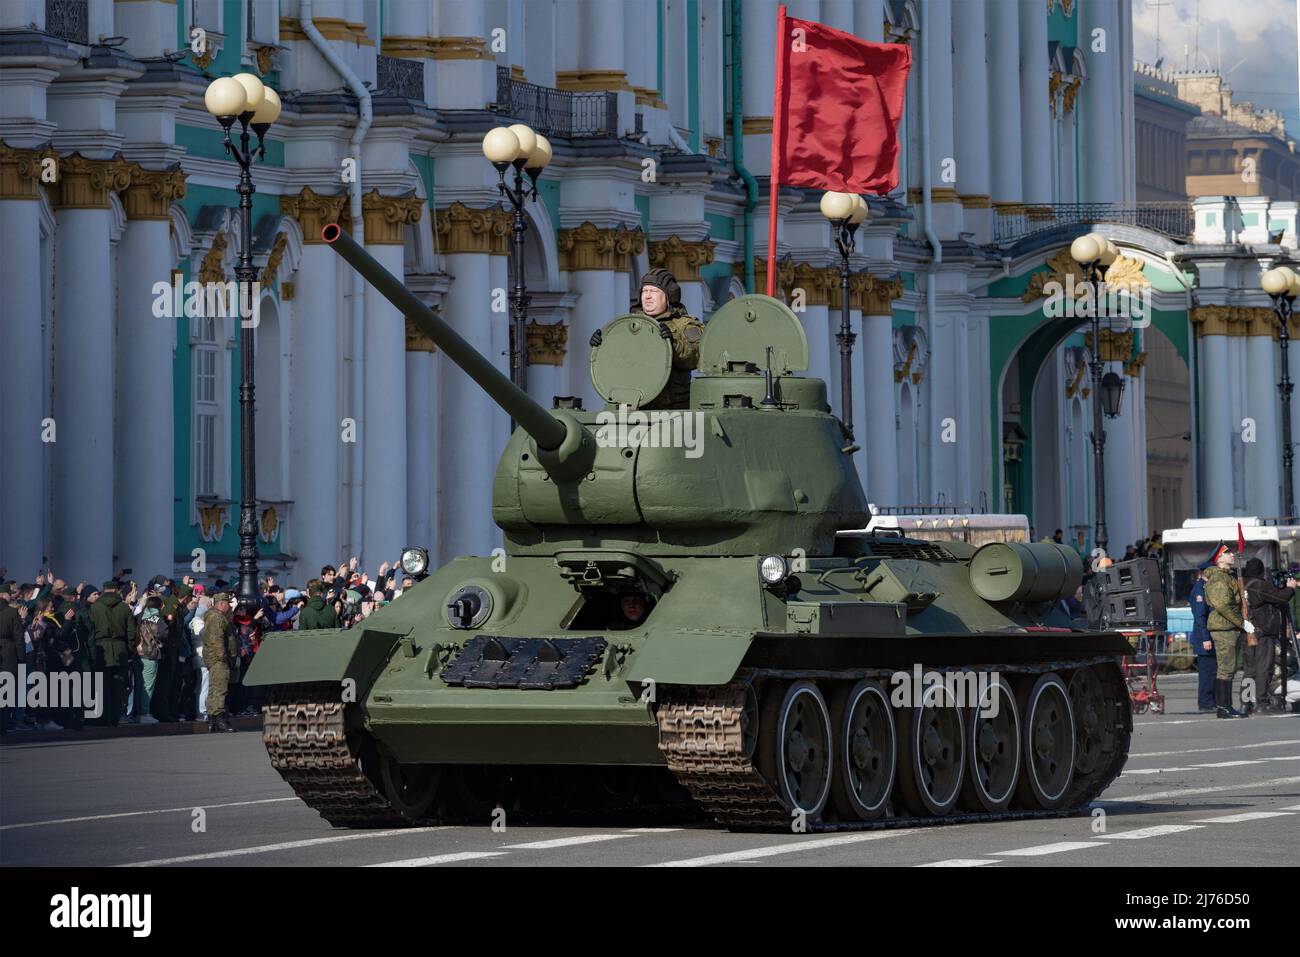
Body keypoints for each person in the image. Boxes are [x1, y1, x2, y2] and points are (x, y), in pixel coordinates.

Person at [589, 268, 704, 410]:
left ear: (669, 296)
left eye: (654, 291)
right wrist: (603, 345)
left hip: (673, 409)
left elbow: (696, 356)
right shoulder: (631, 326)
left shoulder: (684, 325)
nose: (647, 296)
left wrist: (672, 342)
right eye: (645, 291)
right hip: (634, 405)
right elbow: (619, 360)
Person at [1242, 557, 1296, 715]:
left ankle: (1246, 702)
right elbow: (1280, 597)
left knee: (1249, 670)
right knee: (1264, 668)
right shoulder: (1259, 585)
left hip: (1247, 632)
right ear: (1260, 570)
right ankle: (1262, 702)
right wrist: (1290, 588)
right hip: (1262, 632)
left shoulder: (1241, 584)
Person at [1204, 545, 1252, 719]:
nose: (1232, 555)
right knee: (1226, 669)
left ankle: (1226, 706)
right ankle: (1224, 707)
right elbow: (1223, 605)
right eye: (1227, 553)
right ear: (1219, 559)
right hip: (1224, 628)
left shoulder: (1227, 577)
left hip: (1229, 627)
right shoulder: (1218, 579)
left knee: (1229, 668)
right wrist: (1241, 622)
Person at [89, 579, 135, 726]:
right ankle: (115, 717)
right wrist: (130, 651)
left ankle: (102, 717)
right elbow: (131, 633)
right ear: (116, 590)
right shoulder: (124, 607)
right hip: (120, 649)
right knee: (118, 686)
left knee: (101, 686)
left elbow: (90, 631)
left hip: (100, 649)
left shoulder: (95, 607)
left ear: (104, 590)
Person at [202, 593, 239, 733]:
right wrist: (223, 656)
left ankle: (213, 719)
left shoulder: (216, 617)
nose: (229, 606)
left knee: (214, 688)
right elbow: (216, 639)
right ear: (221, 604)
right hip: (219, 660)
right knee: (220, 689)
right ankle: (219, 719)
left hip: (217, 658)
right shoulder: (216, 618)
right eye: (227, 603)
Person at [133, 598, 165, 725]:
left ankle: (136, 712)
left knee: (138, 685)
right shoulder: (156, 618)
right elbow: (164, 633)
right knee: (148, 685)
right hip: (150, 653)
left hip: (138, 653)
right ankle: (144, 713)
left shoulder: (139, 615)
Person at [1189, 564, 1216, 712]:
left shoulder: (1207, 587)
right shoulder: (1200, 588)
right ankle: (1205, 702)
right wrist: (1206, 638)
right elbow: (1200, 616)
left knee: (1213, 671)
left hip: (1209, 636)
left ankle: (1211, 701)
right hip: (1204, 637)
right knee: (1207, 672)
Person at [0, 583, 24, 734]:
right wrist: (21, 658)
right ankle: (3, 724)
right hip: (8, 653)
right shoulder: (12, 612)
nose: (11, 596)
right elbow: (19, 638)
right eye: (9, 593)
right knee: (6, 691)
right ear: (3, 595)